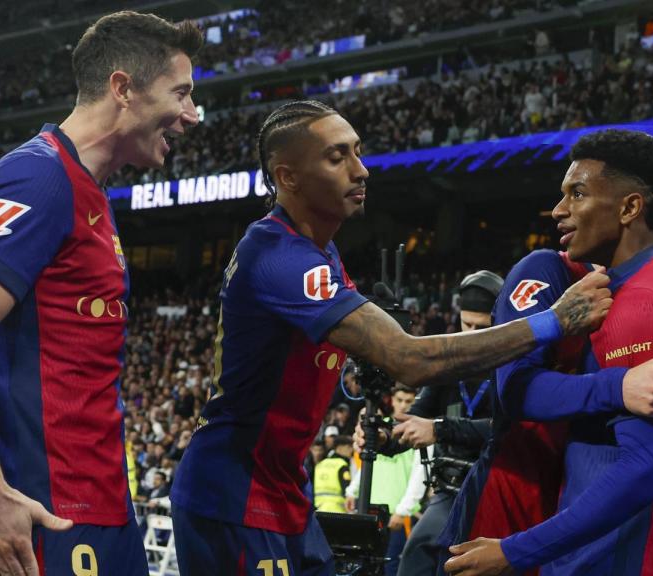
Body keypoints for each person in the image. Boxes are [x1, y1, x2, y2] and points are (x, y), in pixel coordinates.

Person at [170, 99, 622, 576]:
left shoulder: (316, 252)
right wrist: (553, 321)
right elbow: (411, 359)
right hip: (234, 493)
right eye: (336, 157)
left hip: (280, 486)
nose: (361, 170)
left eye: (358, 152)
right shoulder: (281, 256)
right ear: (288, 177)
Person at [0, 11, 202, 576]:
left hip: (101, 502)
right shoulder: (39, 177)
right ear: (123, 87)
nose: (192, 115)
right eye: (181, 93)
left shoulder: (92, 194)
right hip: (52, 511)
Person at [445, 129, 653, 575]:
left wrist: (514, 551)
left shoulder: (641, 304)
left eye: (577, 193)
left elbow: (642, 469)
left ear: (629, 207)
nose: (559, 210)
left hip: (611, 560)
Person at [351, 269, 506, 576]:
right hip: (449, 490)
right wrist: (384, 437)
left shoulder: (509, 366)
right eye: (467, 323)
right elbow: (415, 419)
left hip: (494, 487)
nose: (471, 333)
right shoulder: (447, 366)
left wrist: (438, 429)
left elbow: (503, 429)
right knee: (417, 555)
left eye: (482, 326)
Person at [345, 386, 422, 576]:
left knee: (391, 568)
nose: (403, 405)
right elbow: (368, 464)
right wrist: (351, 491)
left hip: (395, 515)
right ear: (392, 401)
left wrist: (402, 511)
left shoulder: (417, 430)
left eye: (408, 401)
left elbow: (418, 476)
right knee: (364, 566)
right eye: (400, 400)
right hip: (370, 508)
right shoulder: (382, 429)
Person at [314, 436, 354, 513]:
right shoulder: (342, 465)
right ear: (339, 448)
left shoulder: (320, 465)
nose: (351, 450)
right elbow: (347, 489)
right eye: (348, 447)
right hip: (337, 510)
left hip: (319, 510)